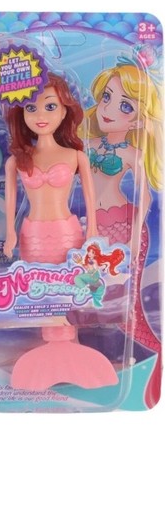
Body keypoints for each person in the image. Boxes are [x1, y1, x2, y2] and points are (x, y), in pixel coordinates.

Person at [3, 72, 118, 391]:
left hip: (68, 234)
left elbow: (92, 202)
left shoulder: (76, 156)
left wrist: (93, 232)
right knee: (41, 290)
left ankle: (68, 345)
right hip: (32, 236)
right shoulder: (17, 160)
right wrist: (10, 235)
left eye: (50, 106)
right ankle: (50, 349)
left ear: (66, 110)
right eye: (31, 108)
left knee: (70, 289)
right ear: (21, 113)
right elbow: (10, 204)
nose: (40, 115)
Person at [85, 61, 162, 407]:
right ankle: (100, 360)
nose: (109, 109)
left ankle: (153, 354)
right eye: (106, 97)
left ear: (138, 119)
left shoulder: (132, 152)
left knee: (126, 305)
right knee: (92, 296)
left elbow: (145, 197)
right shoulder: (87, 146)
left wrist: (133, 234)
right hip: (93, 229)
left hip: (123, 228)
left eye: (125, 106)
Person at [73, 243, 125, 308]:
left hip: (93, 276)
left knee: (77, 278)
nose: (90, 253)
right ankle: (86, 289)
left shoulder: (94, 260)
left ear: (95, 254)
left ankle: (85, 289)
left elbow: (96, 268)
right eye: (89, 251)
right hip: (90, 274)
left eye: (92, 252)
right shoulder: (89, 260)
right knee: (77, 279)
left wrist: (93, 270)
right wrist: (80, 262)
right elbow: (87, 268)